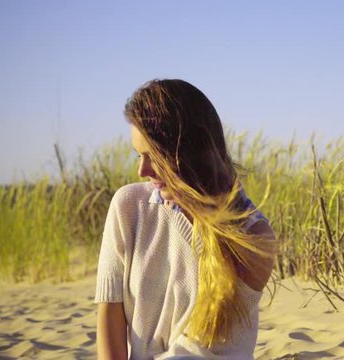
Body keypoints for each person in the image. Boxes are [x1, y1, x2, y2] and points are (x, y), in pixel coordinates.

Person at [94, 79, 276, 359]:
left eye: (153, 156)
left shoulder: (251, 236)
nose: (142, 170)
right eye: (138, 155)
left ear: (188, 152)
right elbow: (110, 315)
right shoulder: (128, 207)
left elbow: (204, 351)